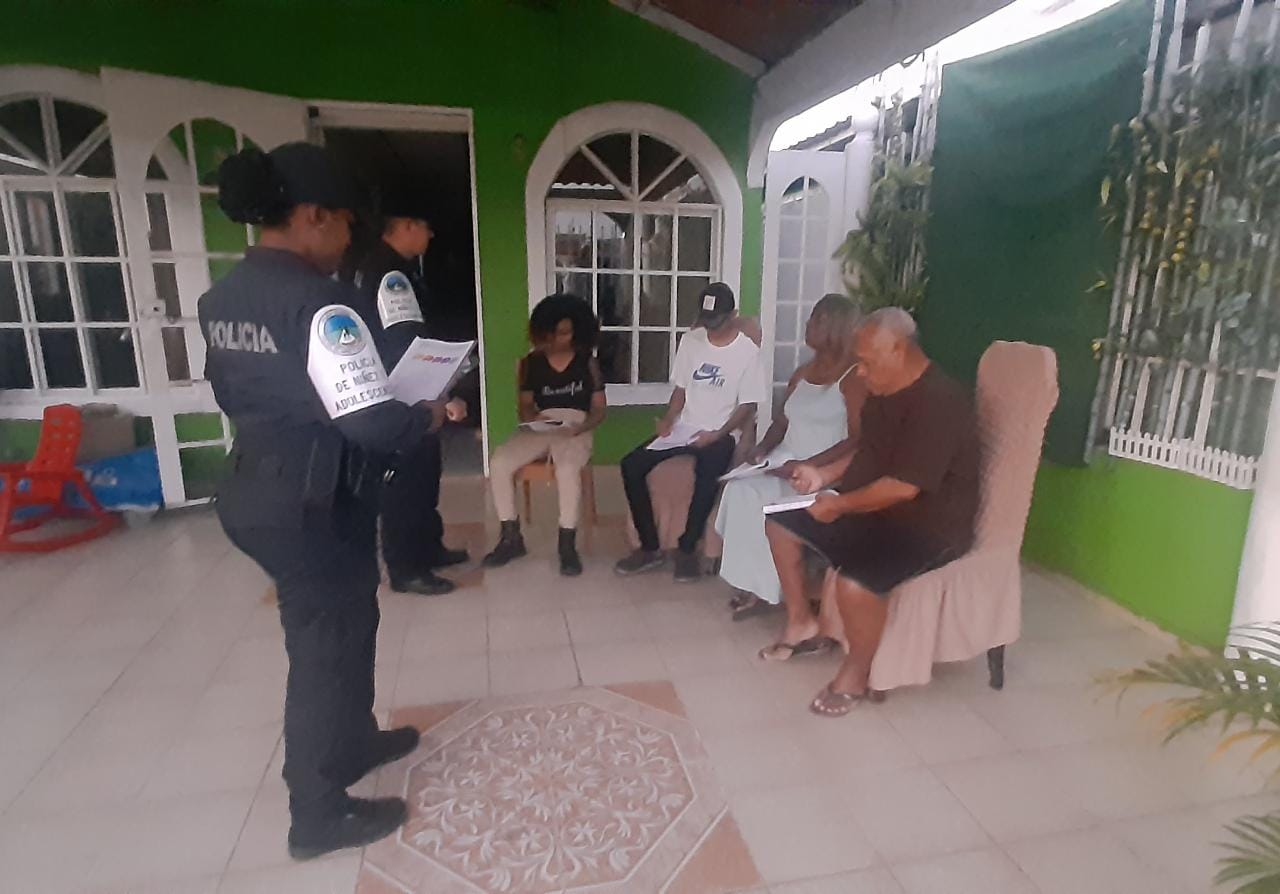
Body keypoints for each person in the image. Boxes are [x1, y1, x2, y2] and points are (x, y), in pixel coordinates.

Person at [200, 143, 448, 858]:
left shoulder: (224, 297)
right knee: (321, 649)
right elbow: (370, 421)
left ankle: (354, 741)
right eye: (344, 223)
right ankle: (315, 813)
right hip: (310, 500)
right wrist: (426, 416)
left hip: (259, 483)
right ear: (312, 216)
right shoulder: (319, 303)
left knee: (351, 617)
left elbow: (233, 388)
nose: (348, 240)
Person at [762, 308, 980, 716]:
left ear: (898, 350)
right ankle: (802, 623)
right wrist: (823, 476)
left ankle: (857, 673)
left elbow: (903, 487)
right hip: (877, 512)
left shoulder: (941, 402)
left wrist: (840, 504)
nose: (859, 373)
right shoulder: (883, 391)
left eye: (865, 362)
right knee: (780, 524)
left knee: (855, 584)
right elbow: (867, 451)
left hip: (928, 527)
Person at [343, 192, 470, 596]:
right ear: (407, 226)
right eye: (425, 228)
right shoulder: (389, 274)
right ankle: (406, 567)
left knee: (426, 473)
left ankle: (429, 547)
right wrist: (438, 390)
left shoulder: (386, 267)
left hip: (406, 390)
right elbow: (404, 341)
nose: (430, 236)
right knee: (406, 481)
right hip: (404, 393)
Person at [715, 294, 864, 620]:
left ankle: (771, 587)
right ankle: (753, 584)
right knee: (741, 490)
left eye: (817, 319)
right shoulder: (802, 373)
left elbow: (857, 439)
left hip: (821, 472)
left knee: (765, 503)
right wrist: (761, 450)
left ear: (836, 327)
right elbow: (781, 422)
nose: (808, 325)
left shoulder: (853, 378)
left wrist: (812, 466)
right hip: (784, 461)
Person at [615, 282, 765, 582]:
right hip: (685, 427)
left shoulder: (748, 352)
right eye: (706, 321)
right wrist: (669, 420)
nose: (711, 329)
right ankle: (650, 547)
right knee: (631, 465)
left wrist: (719, 433)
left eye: (717, 322)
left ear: (733, 315)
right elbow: (680, 391)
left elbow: (747, 405)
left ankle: (686, 550)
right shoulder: (691, 341)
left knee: (707, 473)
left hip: (720, 432)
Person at [482, 294, 606, 576]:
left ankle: (567, 545)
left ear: (578, 332)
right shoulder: (531, 363)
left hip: (576, 424)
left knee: (567, 469)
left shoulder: (587, 363)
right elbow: (525, 405)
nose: (558, 339)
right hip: (541, 424)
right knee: (500, 462)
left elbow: (599, 410)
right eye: (554, 333)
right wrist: (533, 418)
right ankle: (511, 538)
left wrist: (581, 428)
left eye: (565, 332)